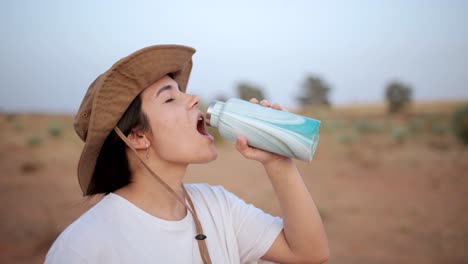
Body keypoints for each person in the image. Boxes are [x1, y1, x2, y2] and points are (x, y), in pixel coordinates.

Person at [45, 44, 329, 264]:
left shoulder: (218, 206)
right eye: (170, 98)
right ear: (137, 136)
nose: (193, 98)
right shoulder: (82, 247)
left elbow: (308, 253)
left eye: (182, 91)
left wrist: (279, 162)